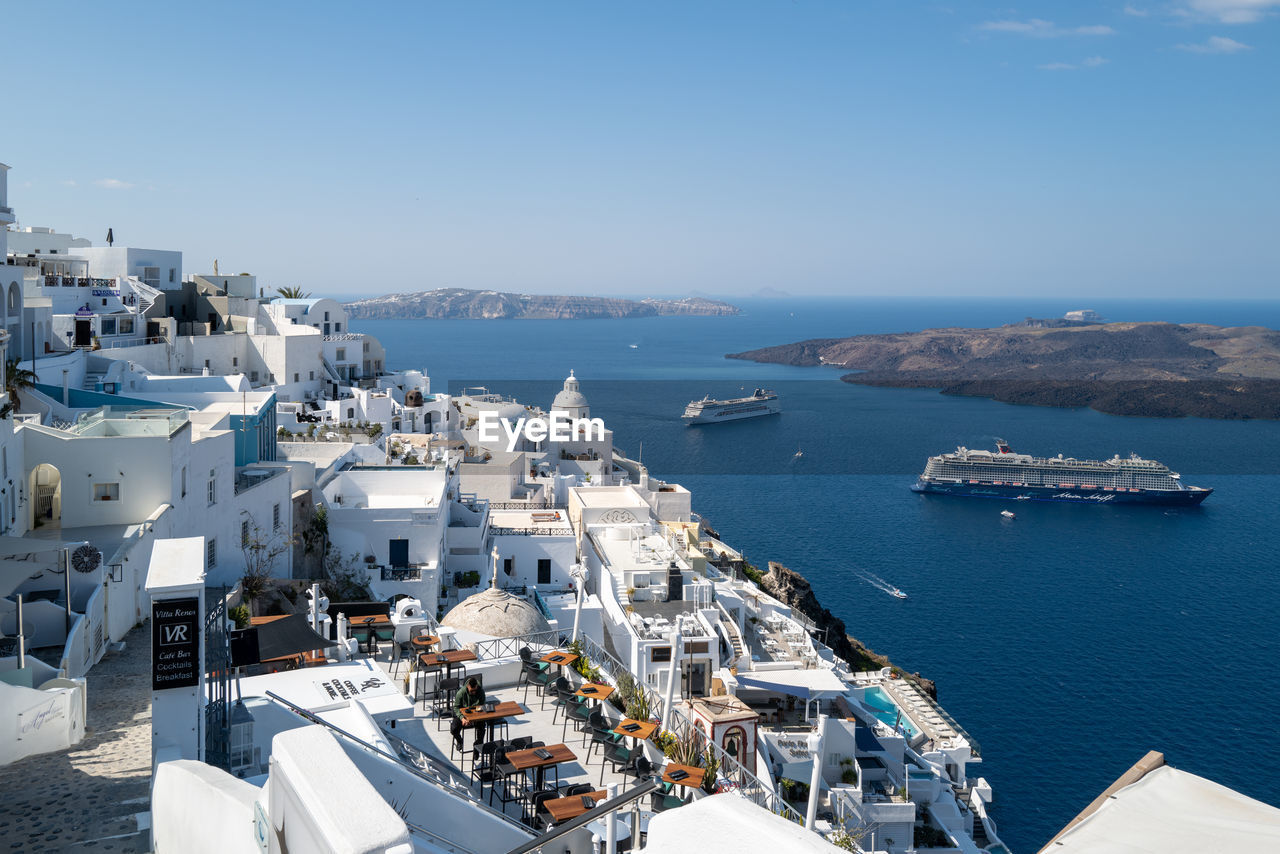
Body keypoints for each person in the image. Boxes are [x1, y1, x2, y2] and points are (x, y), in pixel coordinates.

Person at [450, 676, 486, 752]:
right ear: (468, 686)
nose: (474, 692)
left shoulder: (480, 691)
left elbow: (482, 705)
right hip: (463, 715)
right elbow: (456, 707)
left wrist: (473, 718)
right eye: (471, 691)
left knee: (482, 727)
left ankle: (477, 745)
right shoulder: (461, 693)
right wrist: (462, 718)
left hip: (476, 714)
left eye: (475, 690)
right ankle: (459, 741)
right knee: (454, 729)